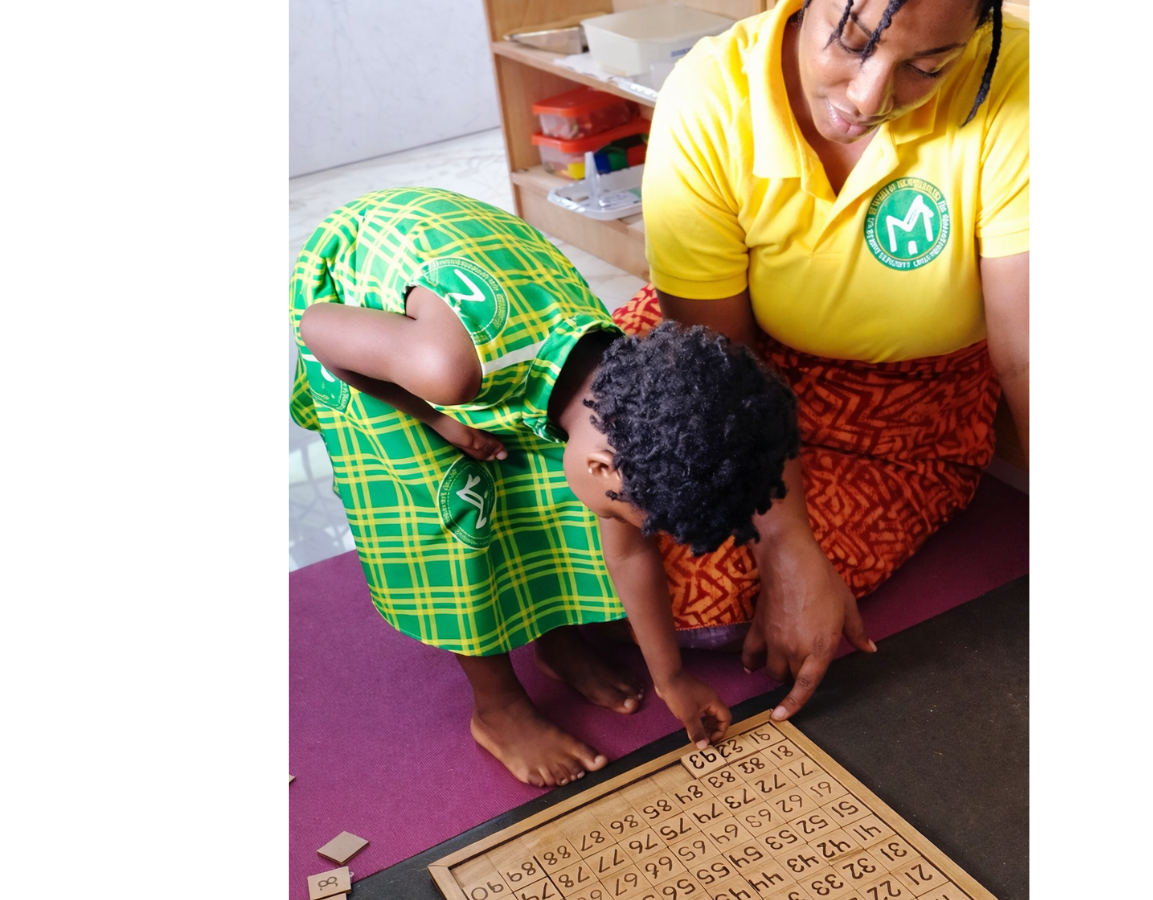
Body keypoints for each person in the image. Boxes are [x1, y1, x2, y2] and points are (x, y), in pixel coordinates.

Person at [289, 187, 801, 787]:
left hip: (481, 306)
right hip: (365, 308)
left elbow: (627, 545)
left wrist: (672, 679)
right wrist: (433, 415)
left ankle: (552, 639)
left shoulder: (624, 393)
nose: (634, 534)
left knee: (547, 497)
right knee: (453, 517)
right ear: (604, 469)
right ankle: (497, 706)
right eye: (636, 518)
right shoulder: (446, 370)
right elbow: (316, 327)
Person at [627, 0, 1029, 719]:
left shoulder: (1022, 83)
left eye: (926, 66)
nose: (867, 98)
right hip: (730, 360)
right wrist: (786, 544)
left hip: (903, 405)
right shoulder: (711, 96)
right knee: (591, 487)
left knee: (700, 592)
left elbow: (1031, 361)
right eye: (848, 43)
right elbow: (720, 363)